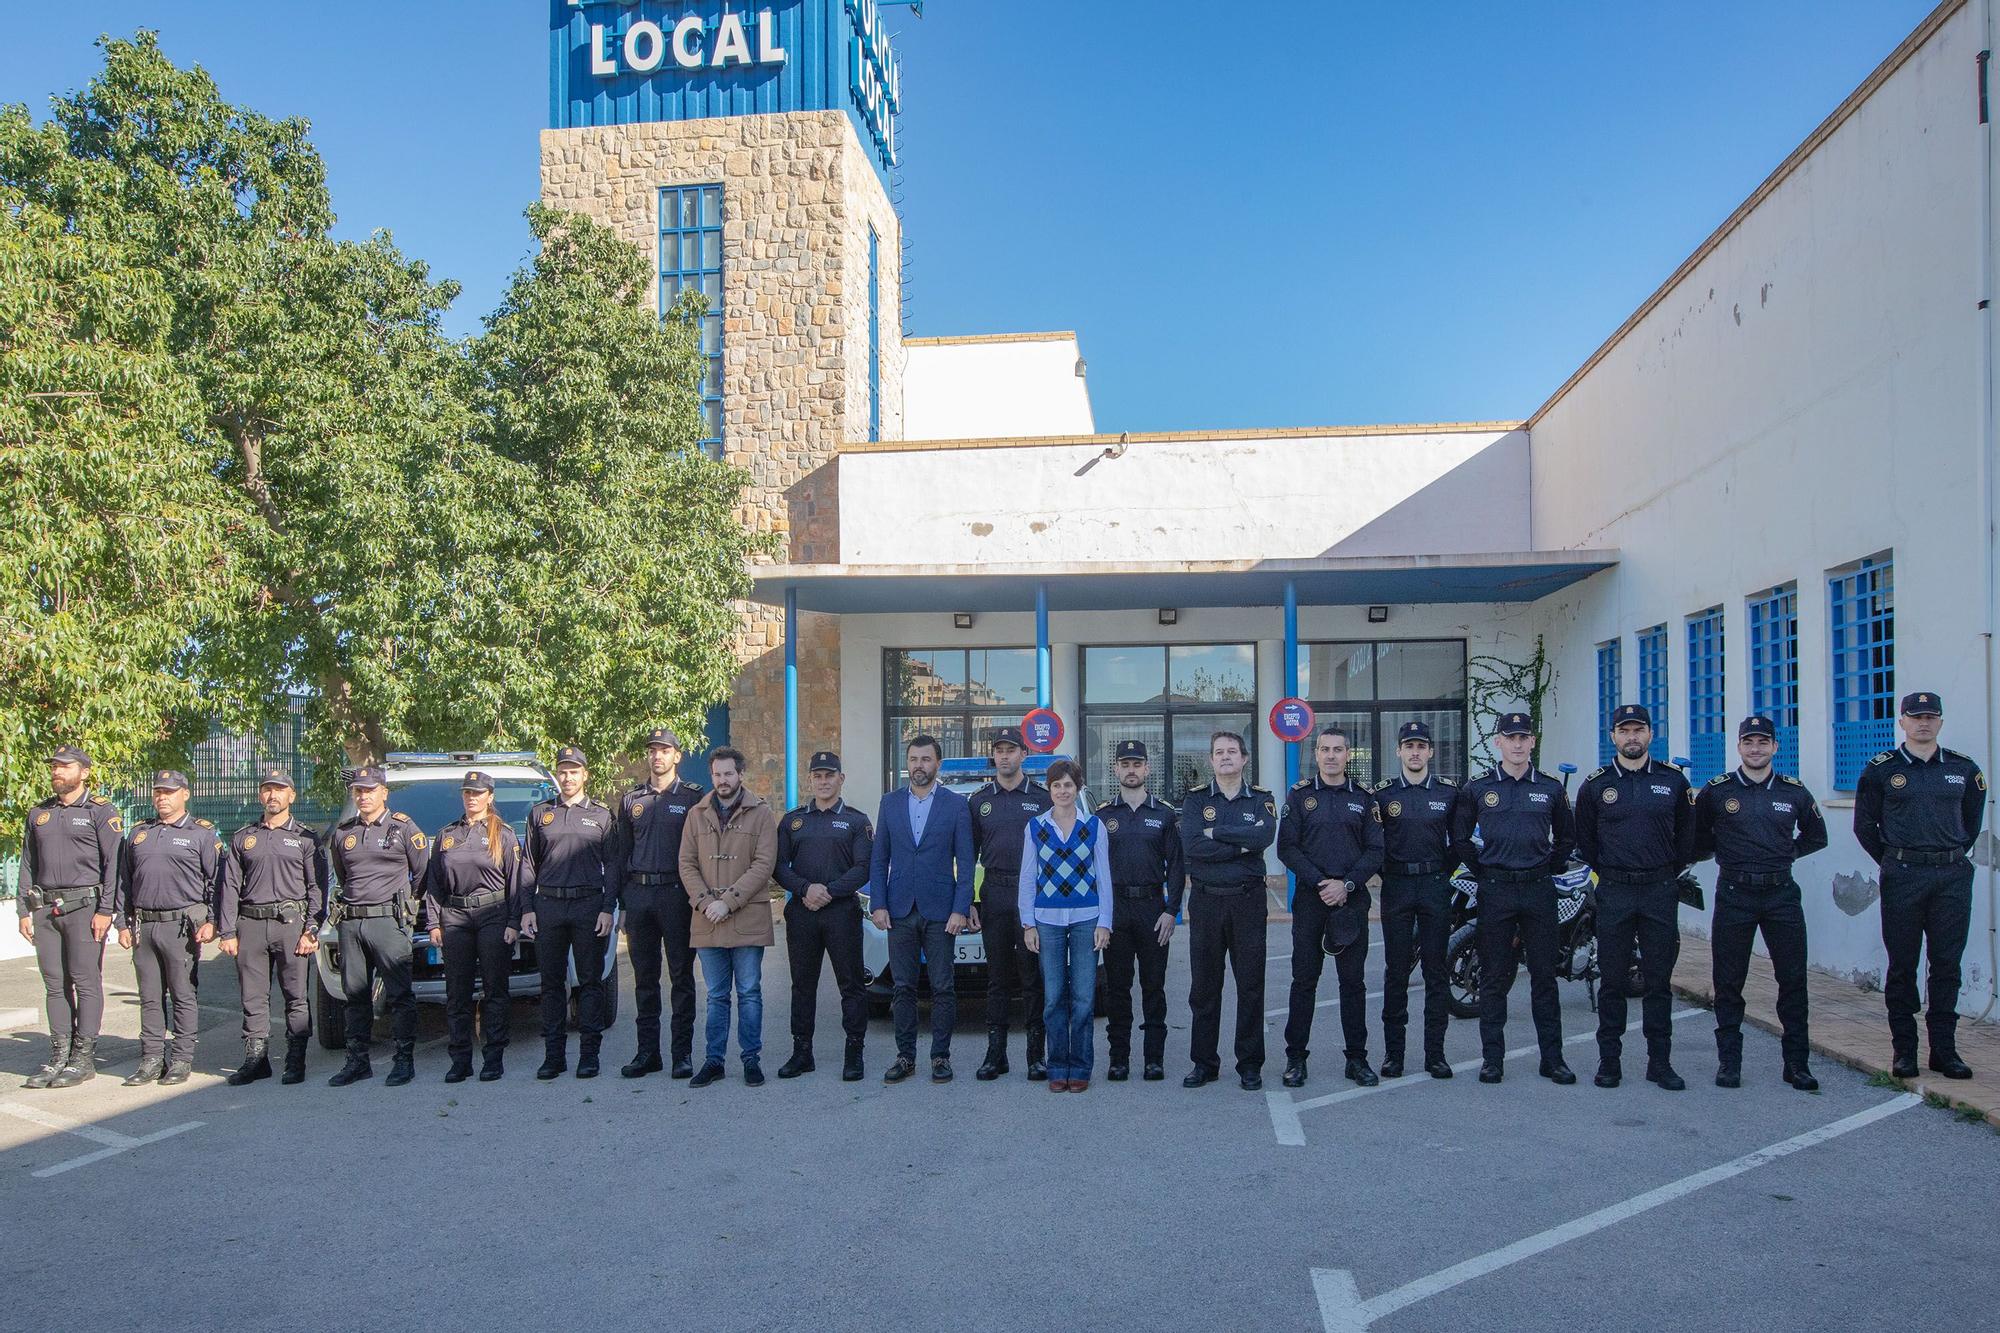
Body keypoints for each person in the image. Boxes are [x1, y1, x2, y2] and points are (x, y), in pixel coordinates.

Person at [1853, 691, 1987, 1079]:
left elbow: (1970, 824)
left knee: (1947, 964)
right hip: (1903, 876)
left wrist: (1946, 854)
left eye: (1930, 716)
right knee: (1902, 964)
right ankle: (1905, 1051)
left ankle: (1944, 1051)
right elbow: (1864, 826)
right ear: (1902, 722)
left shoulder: (1964, 770)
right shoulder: (1881, 770)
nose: (1923, 722)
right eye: (1915, 716)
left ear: (1941, 722)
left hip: (1951, 877)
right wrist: (1894, 862)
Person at [1691, 715, 1828, 1090]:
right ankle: (1729, 1063)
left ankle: (1797, 1065)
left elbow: (1817, 837)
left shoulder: (1793, 791)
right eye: (1748, 742)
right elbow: (1698, 839)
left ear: (1774, 747)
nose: (1755, 748)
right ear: (1738, 747)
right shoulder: (1717, 791)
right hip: (1735, 893)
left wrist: (1784, 854)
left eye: (1762, 742)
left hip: (1781, 893)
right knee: (1729, 981)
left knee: (1792, 980)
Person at [1450, 711, 1577, 1086]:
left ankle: (1552, 1060)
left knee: (1544, 977)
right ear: (1498, 742)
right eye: (1511, 738)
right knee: (1493, 977)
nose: (1518, 744)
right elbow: (1460, 839)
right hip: (1497, 889)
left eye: (1524, 737)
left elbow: (1567, 839)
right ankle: (1493, 1059)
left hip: (1539, 889)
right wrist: (1487, 870)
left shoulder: (1552, 788)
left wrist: (1545, 867)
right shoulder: (1478, 788)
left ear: (1532, 742)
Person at [1573, 704, 1694, 1091]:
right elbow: (1586, 841)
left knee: (1658, 981)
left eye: (1638, 730)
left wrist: (1665, 871)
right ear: (1613, 736)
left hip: (1659, 889)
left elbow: (1688, 838)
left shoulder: (1673, 782)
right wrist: (1612, 871)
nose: (1631, 737)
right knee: (1612, 981)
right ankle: (1610, 1062)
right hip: (1615, 891)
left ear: (1649, 735)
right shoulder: (1595, 785)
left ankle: (1660, 1063)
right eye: (1624, 731)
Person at [1277, 726, 1385, 1089]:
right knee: (1303, 981)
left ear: (1348, 755)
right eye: (1325, 749)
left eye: (1338, 750)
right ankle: (1296, 1059)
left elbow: (1375, 850)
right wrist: (1321, 883)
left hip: (1351, 901)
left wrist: (1347, 884)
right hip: (1312, 899)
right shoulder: (1300, 796)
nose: (1331, 755)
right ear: (1316, 753)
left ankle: (1357, 1059)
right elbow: (1286, 847)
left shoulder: (1365, 798)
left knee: (1352, 983)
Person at [869, 734, 975, 1084]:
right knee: (903, 987)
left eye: (926, 759)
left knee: (943, 986)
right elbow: (879, 857)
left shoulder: (955, 805)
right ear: (907, 764)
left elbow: (966, 860)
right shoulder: (889, 802)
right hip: (899, 909)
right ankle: (905, 1056)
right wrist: (879, 904)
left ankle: (940, 1057)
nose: (919, 765)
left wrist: (961, 908)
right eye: (913, 759)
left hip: (941, 910)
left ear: (937, 764)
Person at [18, 744, 120, 1090]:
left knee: (85, 980)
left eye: (64, 766)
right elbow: (28, 864)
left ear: (84, 772)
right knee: (54, 984)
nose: (57, 772)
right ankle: (59, 1053)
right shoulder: (39, 814)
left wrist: (106, 910)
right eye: (54, 767)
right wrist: (24, 910)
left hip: (84, 908)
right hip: (45, 908)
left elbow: (114, 867)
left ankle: (83, 1058)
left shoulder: (100, 812)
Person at [1180, 730, 1277, 1091]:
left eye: (1232, 752)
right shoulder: (1195, 801)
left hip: (1247, 902)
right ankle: (1204, 1063)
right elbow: (1191, 847)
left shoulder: (1261, 800)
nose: (1225, 757)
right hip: (1205, 902)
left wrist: (1215, 833)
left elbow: (1263, 838)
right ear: (1211, 760)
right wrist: (1239, 845)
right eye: (1218, 752)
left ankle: (1249, 1064)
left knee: (1250, 985)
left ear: (1244, 758)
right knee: (1204, 987)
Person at [218, 767, 328, 1086]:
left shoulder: (305, 838)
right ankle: (256, 1059)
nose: (272, 795)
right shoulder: (243, 837)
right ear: (259, 795)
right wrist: (227, 932)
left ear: (291, 796)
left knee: (296, 997)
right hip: (251, 924)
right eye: (267, 789)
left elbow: (317, 888)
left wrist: (312, 929)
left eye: (279, 789)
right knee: (253, 997)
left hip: (291, 925)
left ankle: (295, 1059)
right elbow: (229, 887)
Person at [422, 771, 533, 1083]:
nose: (471, 797)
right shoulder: (446, 835)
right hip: (455, 916)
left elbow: (516, 882)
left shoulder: (504, 834)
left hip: (493, 915)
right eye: (467, 792)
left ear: (490, 796)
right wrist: (434, 921)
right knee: (457, 992)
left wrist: (514, 922)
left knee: (495, 990)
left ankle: (493, 1058)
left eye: (478, 792)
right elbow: (434, 883)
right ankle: (460, 1060)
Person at [114, 771, 223, 1086]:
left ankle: (181, 1059)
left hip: (181, 926)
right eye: (158, 792)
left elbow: (216, 881)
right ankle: (150, 1058)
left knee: (182, 993)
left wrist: (212, 920)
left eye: (170, 792)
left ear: (185, 794)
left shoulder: (201, 834)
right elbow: (124, 882)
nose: (162, 797)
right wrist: (122, 922)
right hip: (145, 925)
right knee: (149, 995)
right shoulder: (138, 834)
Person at [326, 765, 430, 1087]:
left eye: (370, 790)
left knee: (399, 995)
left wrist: (404, 906)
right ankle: (358, 1061)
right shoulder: (344, 833)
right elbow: (343, 877)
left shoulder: (402, 828)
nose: (363, 796)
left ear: (384, 793)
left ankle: (403, 1060)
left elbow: (423, 872)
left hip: (388, 921)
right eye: (359, 790)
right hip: (353, 922)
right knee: (354, 995)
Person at [680, 747, 778, 1087]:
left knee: (749, 991)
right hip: (707, 917)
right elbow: (687, 863)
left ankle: (751, 1059)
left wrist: (729, 901)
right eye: (717, 774)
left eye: (728, 774)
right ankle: (714, 1061)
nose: (723, 780)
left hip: (747, 916)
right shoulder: (696, 814)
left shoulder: (761, 813)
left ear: (740, 775)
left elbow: (764, 864)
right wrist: (707, 901)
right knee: (716, 994)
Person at [774, 751, 873, 1081]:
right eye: (818, 775)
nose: (823, 781)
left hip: (841, 912)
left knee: (851, 985)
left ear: (841, 779)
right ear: (811, 779)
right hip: (802, 913)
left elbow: (863, 868)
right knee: (802, 985)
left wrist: (828, 891)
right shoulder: (793, 821)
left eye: (830, 775)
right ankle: (802, 1052)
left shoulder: (857, 821)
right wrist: (805, 889)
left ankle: (854, 1052)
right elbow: (778, 866)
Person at [612, 727, 704, 1079]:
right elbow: (621, 854)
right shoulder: (631, 799)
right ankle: (647, 1053)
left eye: (664, 750)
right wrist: (622, 902)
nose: (657, 756)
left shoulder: (693, 798)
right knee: (645, 980)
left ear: (677, 756)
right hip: (639, 896)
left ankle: (682, 1055)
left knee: (681, 977)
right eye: (652, 750)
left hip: (677, 895)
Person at [1019, 758, 1113, 1092]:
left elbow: (1103, 877)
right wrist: (1028, 924)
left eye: (1068, 785)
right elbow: (1028, 878)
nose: (1062, 790)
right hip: (1048, 921)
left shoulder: (1094, 826)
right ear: (1049, 789)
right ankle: (1058, 1065)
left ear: (1078, 788)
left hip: (1087, 919)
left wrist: (1105, 922)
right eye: (1056, 785)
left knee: (1085, 998)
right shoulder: (1035, 827)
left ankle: (1081, 1067)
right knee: (1054, 997)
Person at [523, 746, 615, 1081]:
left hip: (588, 905)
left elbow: (614, 865)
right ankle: (554, 1057)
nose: (567, 777)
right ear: (556, 776)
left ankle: (589, 1056)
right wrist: (526, 909)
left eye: (574, 771)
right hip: (548, 906)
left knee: (590, 983)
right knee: (550, 984)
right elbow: (528, 865)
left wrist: (608, 907)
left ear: (585, 775)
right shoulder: (539, 814)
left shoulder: (602, 816)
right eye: (562, 771)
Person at [1374, 720, 1460, 1079]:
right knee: (1396, 972)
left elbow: (1459, 843)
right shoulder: (1383, 794)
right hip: (1396, 886)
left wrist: (1440, 872)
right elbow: (1374, 844)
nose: (1414, 752)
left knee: (1435, 972)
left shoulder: (1449, 792)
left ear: (1430, 752)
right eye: (1408, 746)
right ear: (1398, 751)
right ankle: (1394, 1054)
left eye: (1421, 746)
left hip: (1435, 886)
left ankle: (1435, 1054)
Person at [1095, 739, 1183, 1081]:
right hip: (1115, 911)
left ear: (1147, 769)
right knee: (1117, 988)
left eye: (1137, 764)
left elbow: (1176, 866)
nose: (1131, 770)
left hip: (1152, 909)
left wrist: (1171, 911)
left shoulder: (1163, 814)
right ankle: (1119, 1058)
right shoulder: (1104, 816)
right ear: (1116, 769)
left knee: (1153, 987)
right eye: (1125, 764)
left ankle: (1153, 1058)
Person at [968, 726, 1050, 1081]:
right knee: (997, 978)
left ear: (1023, 755)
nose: (1004, 756)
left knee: (1033, 977)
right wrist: (970, 900)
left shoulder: (1043, 799)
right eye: (999, 751)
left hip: (1032, 897)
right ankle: (995, 1054)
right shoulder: (979, 801)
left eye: (1011, 750)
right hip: (995, 894)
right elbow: (967, 856)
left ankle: (1035, 1056)